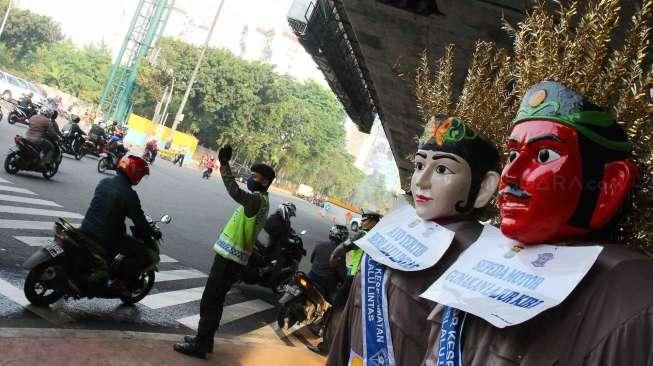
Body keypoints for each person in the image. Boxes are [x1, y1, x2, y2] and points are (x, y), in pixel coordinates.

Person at [419, 2, 653, 365]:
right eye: (512, 155)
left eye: (543, 156)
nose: (512, 175)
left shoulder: (633, 297)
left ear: (609, 185)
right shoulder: (478, 261)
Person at [327, 45, 503, 365]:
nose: (421, 181)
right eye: (420, 165)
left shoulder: (481, 264)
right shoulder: (392, 233)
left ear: (484, 189)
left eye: (443, 170)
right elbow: (347, 331)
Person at [174, 144, 276, 359]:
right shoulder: (262, 201)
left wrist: (224, 165)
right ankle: (206, 339)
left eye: (255, 177)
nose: (251, 179)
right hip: (233, 259)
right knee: (215, 301)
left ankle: (201, 345)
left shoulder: (256, 200)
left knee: (210, 300)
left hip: (229, 260)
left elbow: (235, 191)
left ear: (265, 182)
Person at [79, 155, 152, 294]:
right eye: (140, 175)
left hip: (86, 228)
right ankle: (121, 284)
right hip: (107, 238)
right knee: (141, 252)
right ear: (135, 172)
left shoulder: (104, 182)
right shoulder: (129, 194)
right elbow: (139, 221)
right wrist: (150, 232)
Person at [258, 202, 297, 279]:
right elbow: (284, 239)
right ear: (286, 210)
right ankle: (266, 274)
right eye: (290, 213)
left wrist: (290, 232)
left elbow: (286, 230)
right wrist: (290, 242)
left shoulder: (276, 217)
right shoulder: (282, 221)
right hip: (268, 245)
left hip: (263, 241)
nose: (290, 216)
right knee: (280, 260)